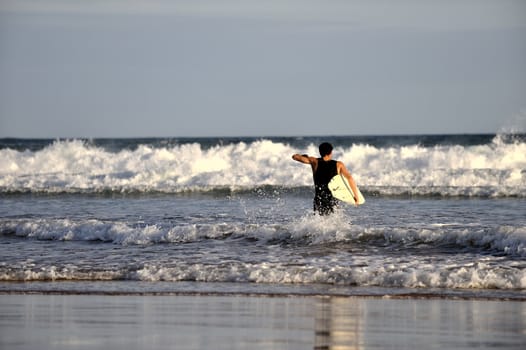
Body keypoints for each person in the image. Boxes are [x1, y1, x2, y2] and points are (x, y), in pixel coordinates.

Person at [292, 142, 359, 215]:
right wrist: (355, 196)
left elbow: (295, 157)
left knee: (319, 221)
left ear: (320, 152)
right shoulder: (339, 164)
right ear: (331, 152)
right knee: (333, 220)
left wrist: (305, 156)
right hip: (333, 199)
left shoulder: (314, 161)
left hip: (319, 199)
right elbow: (349, 178)